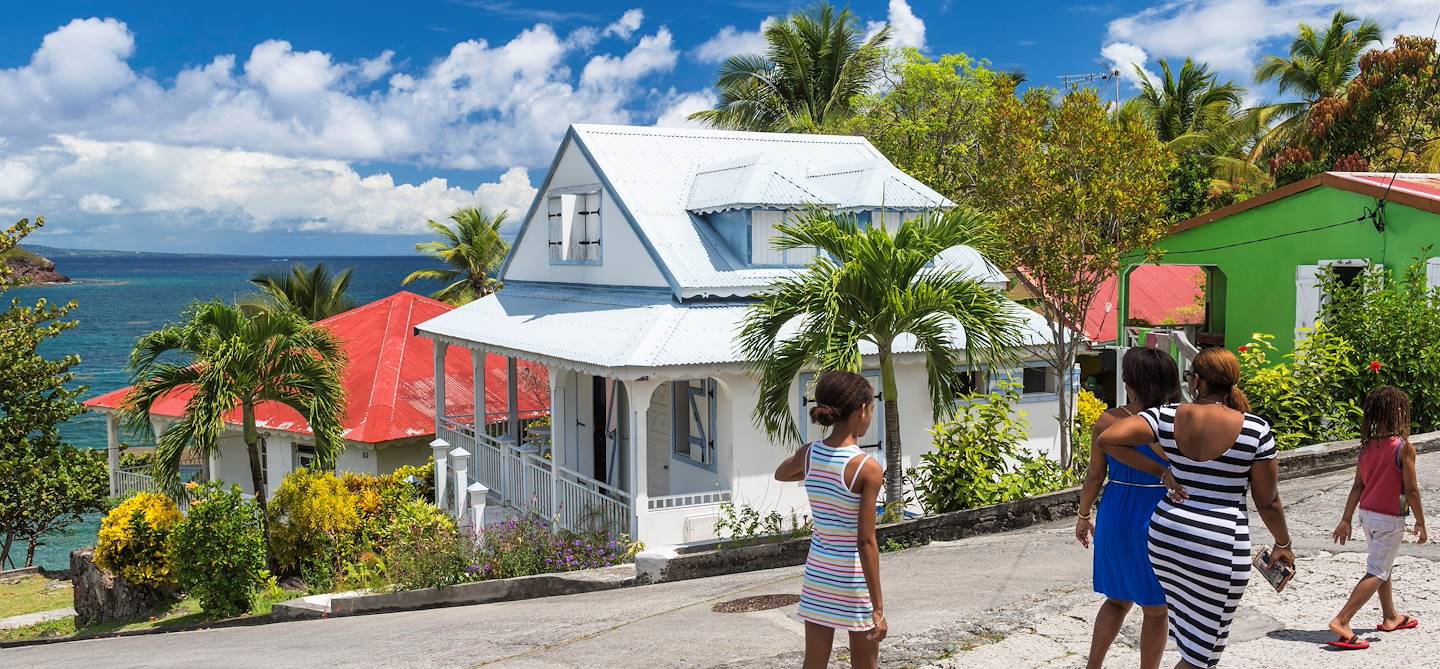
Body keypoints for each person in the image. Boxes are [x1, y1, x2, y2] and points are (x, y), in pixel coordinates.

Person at [1098, 347, 1295, 669]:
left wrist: (1161, 472)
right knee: (1202, 653)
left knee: (1193, 639)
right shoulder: (1255, 430)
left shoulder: (1166, 416)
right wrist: (1283, 544)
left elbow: (1109, 439)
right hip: (1220, 543)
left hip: (1167, 535)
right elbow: (1267, 501)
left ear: (1199, 381)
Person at [1075, 348, 1182, 669]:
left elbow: (1095, 476)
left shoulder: (1108, 421)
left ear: (1130, 380)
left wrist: (1083, 516)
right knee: (1156, 606)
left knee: (1118, 599)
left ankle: (1093, 666)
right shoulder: (1179, 420)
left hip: (1117, 510)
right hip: (1160, 510)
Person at [774, 371, 887, 669]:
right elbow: (865, 542)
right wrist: (878, 609)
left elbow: (781, 473)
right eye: (872, 408)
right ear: (862, 410)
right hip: (851, 579)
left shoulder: (809, 455)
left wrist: (813, 472)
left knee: (814, 664)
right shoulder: (867, 468)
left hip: (818, 576)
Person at [1326, 386, 1429, 650]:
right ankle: (1342, 620)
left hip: (1367, 516)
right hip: (1389, 519)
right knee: (1378, 570)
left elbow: (1357, 486)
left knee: (1384, 564)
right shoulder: (1404, 447)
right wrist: (1420, 521)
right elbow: (1411, 490)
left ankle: (1390, 616)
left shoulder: (1366, 447)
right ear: (1398, 413)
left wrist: (1346, 519)